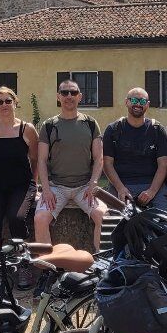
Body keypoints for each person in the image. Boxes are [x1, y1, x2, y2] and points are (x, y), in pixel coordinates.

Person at [34, 78, 107, 251]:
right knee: (40, 218)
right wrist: (45, 189)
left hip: (85, 187)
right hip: (56, 187)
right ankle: (47, 268)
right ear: (58, 97)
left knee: (103, 216)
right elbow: (42, 160)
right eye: (64, 92)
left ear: (80, 97)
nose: (69, 96)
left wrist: (93, 183)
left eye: (73, 92)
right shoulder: (49, 125)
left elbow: (99, 158)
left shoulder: (90, 123)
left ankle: (102, 266)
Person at [0, 86, 39, 249]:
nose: (4, 105)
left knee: (16, 218)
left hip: (21, 186)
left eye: (8, 101)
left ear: (15, 103)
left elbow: (35, 159)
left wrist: (35, 183)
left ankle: (23, 265)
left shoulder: (27, 129)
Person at [102, 87, 167, 209]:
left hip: (152, 184)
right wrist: (120, 188)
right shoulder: (113, 130)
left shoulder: (157, 130)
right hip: (121, 184)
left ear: (148, 105)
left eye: (142, 101)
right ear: (126, 102)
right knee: (113, 221)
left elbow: (163, 164)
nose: (138, 104)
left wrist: (152, 191)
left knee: (163, 221)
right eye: (134, 100)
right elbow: (107, 163)